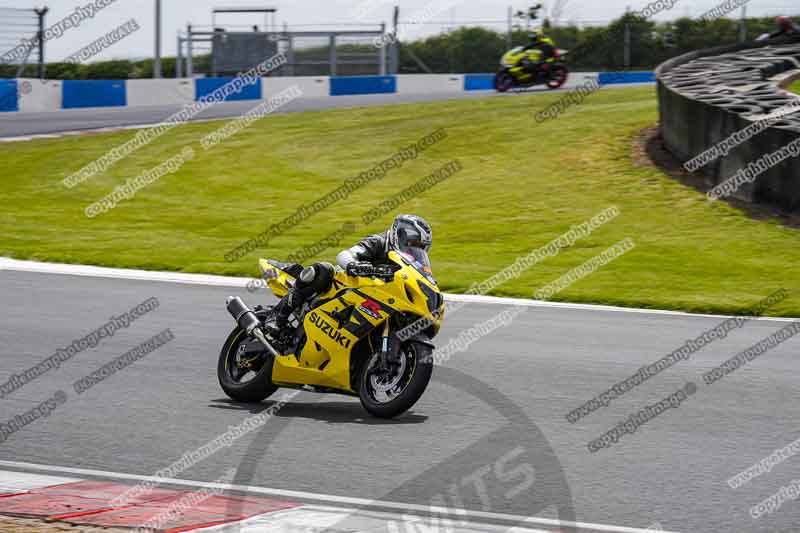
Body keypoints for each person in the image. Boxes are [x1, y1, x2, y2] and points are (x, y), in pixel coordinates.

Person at [267, 214, 433, 334]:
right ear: (400, 235)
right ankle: (278, 316)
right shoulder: (379, 242)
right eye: (412, 243)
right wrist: (357, 265)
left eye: (420, 247)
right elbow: (344, 255)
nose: (414, 249)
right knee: (323, 270)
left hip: (374, 302)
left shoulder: (408, 263)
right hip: (345, 286)